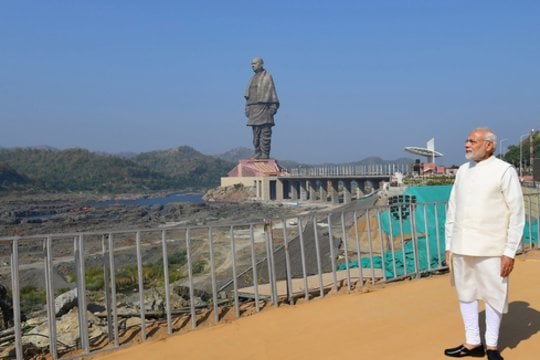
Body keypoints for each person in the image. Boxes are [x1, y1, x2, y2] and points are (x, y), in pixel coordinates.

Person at [444, 128, 525, 360]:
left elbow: (516, 214)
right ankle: (472, 343)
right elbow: (453, 210)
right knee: (466, 294)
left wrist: (509, 251)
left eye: (473, 141)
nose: (467, 144)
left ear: (489, 145)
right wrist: (449, 245)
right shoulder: (462, 171)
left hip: (492, 248)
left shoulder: (504, 170)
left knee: (493, 295)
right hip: (461, 245)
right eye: (467, 140)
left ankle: (491, 346)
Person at [244, 57, 279, 159]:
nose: (252, 65)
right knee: (256, 134)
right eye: (251, 64)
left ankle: (265, 154)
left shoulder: (267, 77)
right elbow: (248, 96)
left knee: (265, 133)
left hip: (264, 109)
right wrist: (247, 108)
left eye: (254, 63)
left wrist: (273, 107)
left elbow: (272, 93)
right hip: (253, 109)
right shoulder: (251, 79)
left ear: (261, 64)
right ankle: (257, 152)